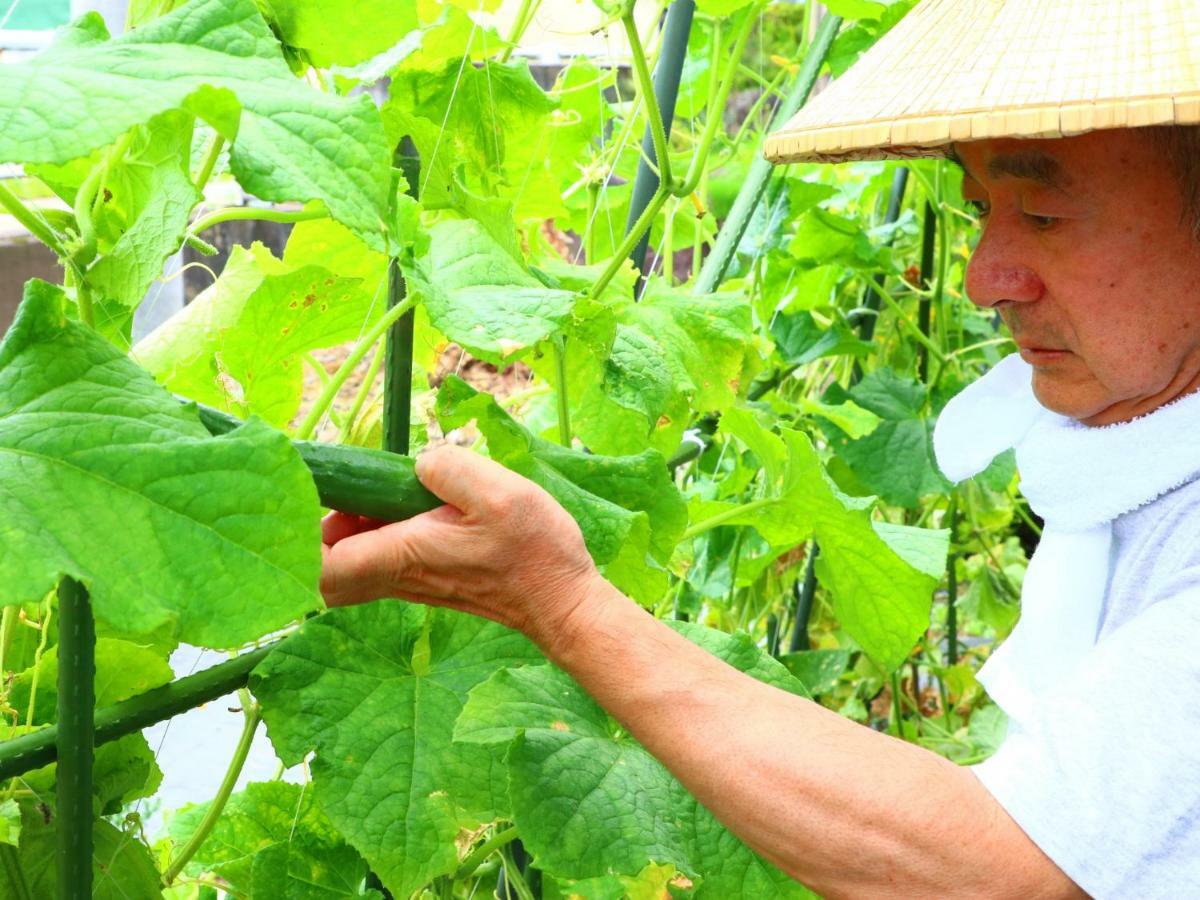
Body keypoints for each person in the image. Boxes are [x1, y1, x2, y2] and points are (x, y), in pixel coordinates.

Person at [320, 0, 1200, 895]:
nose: (983, 279)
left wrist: (563, 604)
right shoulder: (1140, 447)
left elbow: (1002, 874)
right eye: (979, 211)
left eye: (1044, 215)